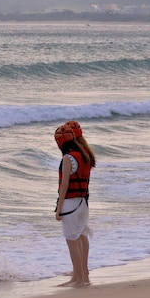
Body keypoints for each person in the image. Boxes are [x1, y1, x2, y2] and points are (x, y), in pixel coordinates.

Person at [53, 120, 96, 287]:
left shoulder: (68, 158)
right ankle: (82, 273)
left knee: (71, 240)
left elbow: (64, 185)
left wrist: (58, 208)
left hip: (71, 204)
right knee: (82, 235)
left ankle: (78, 279)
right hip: (83, 202)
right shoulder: (85, 154)